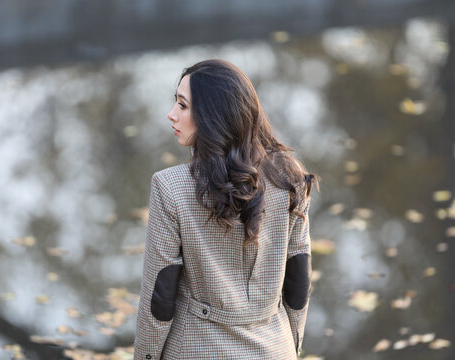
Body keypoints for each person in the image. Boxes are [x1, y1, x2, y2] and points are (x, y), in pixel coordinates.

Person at [133, 58, 320, 360]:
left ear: (212, 116)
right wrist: (291, 345)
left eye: (182, 106)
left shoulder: (170, 187)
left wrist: (146, 358)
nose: (171, 115)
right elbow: (298, 283)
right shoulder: (290, 176)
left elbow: (160, 299)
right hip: (275, 349)